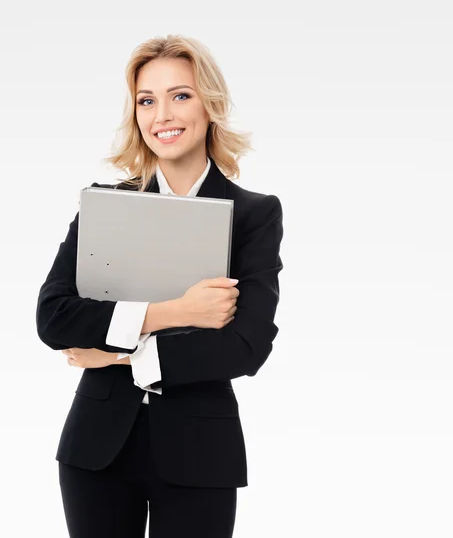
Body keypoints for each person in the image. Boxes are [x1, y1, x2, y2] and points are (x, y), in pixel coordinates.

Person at [36, 34, 284, 538]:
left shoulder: (254, 215)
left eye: (180, 95)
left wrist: (115, 353)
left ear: (209, 104)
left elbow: (245, 347)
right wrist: (177, 312)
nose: (162, 115)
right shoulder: (103, 205)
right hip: (95, 453)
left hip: (200, 455)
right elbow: (54, 317)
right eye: (147, 100)